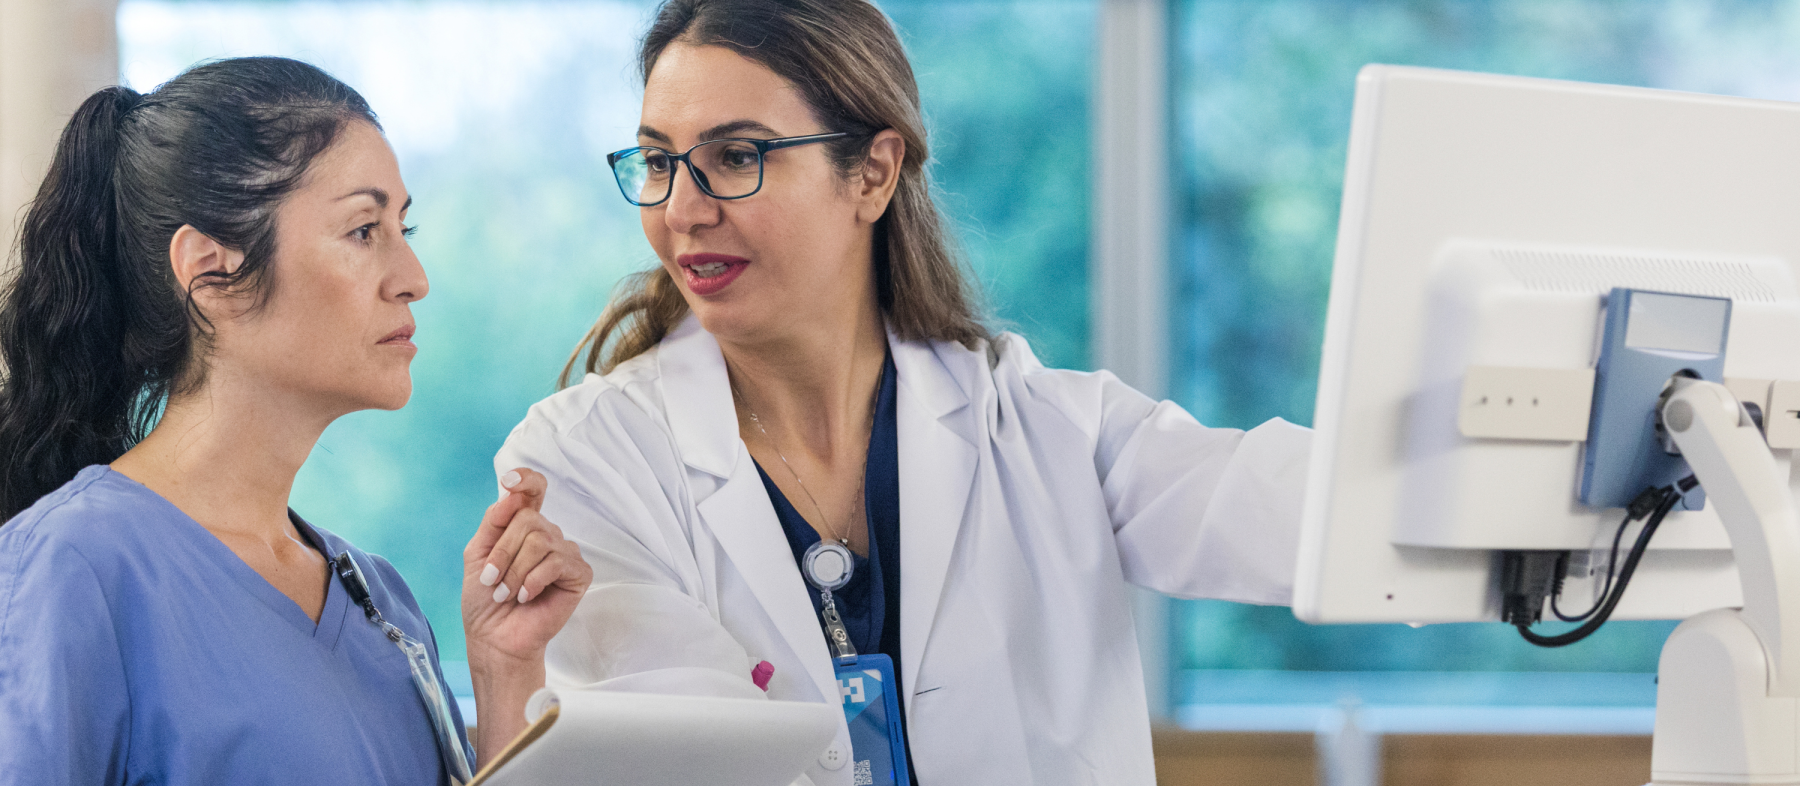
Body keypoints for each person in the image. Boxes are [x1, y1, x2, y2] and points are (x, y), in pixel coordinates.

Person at [496, 0, 1310, 783]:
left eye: (736, 158)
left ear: (873, 175)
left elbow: (1310, 514)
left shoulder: (1042, 428)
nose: (681, 210)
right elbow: (690, 762)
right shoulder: (584, 460)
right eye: (660, 162)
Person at [0, 57, 590, 785]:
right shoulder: (73, 568)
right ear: (211, 272)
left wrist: (504, 668)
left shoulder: (383, 603)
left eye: (403, 227)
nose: (414, 277)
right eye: (364, 230)